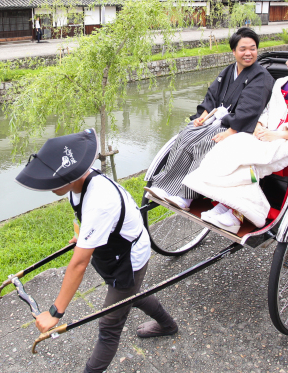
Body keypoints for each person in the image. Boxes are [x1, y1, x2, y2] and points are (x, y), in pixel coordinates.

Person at [16, 129, 178, 373]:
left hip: (129, 257)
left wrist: (54, 312)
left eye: (55, 180)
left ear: (71, 176)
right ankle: (168, 325)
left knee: (109, 324)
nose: (51, 185)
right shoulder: (77, 187)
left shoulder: (99, 200)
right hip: (114, 251)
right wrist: (85, 237)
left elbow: (79, 264)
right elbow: (95, 224)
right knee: (131, 293)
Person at [183, 42, 288, 232]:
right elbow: (268, 111)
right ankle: (227, 204)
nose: (287, 63)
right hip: (267, 133)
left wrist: (278, 134)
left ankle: (240, 213)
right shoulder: (282, 83)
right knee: (229, 145)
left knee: (246, 163)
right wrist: (260, 125)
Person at [146, 27, 274, 210]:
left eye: (252, 48)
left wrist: (231, 131)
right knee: (187, 134)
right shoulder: (229, 71)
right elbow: (212, 96)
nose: (248, 53)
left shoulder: (261, 77)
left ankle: (187, 196)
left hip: (239, 128)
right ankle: (165, 186)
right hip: (217, 121)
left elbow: (250, 110)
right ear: (233, 51)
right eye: (243, 49)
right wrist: (203, 116)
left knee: (205, 144)